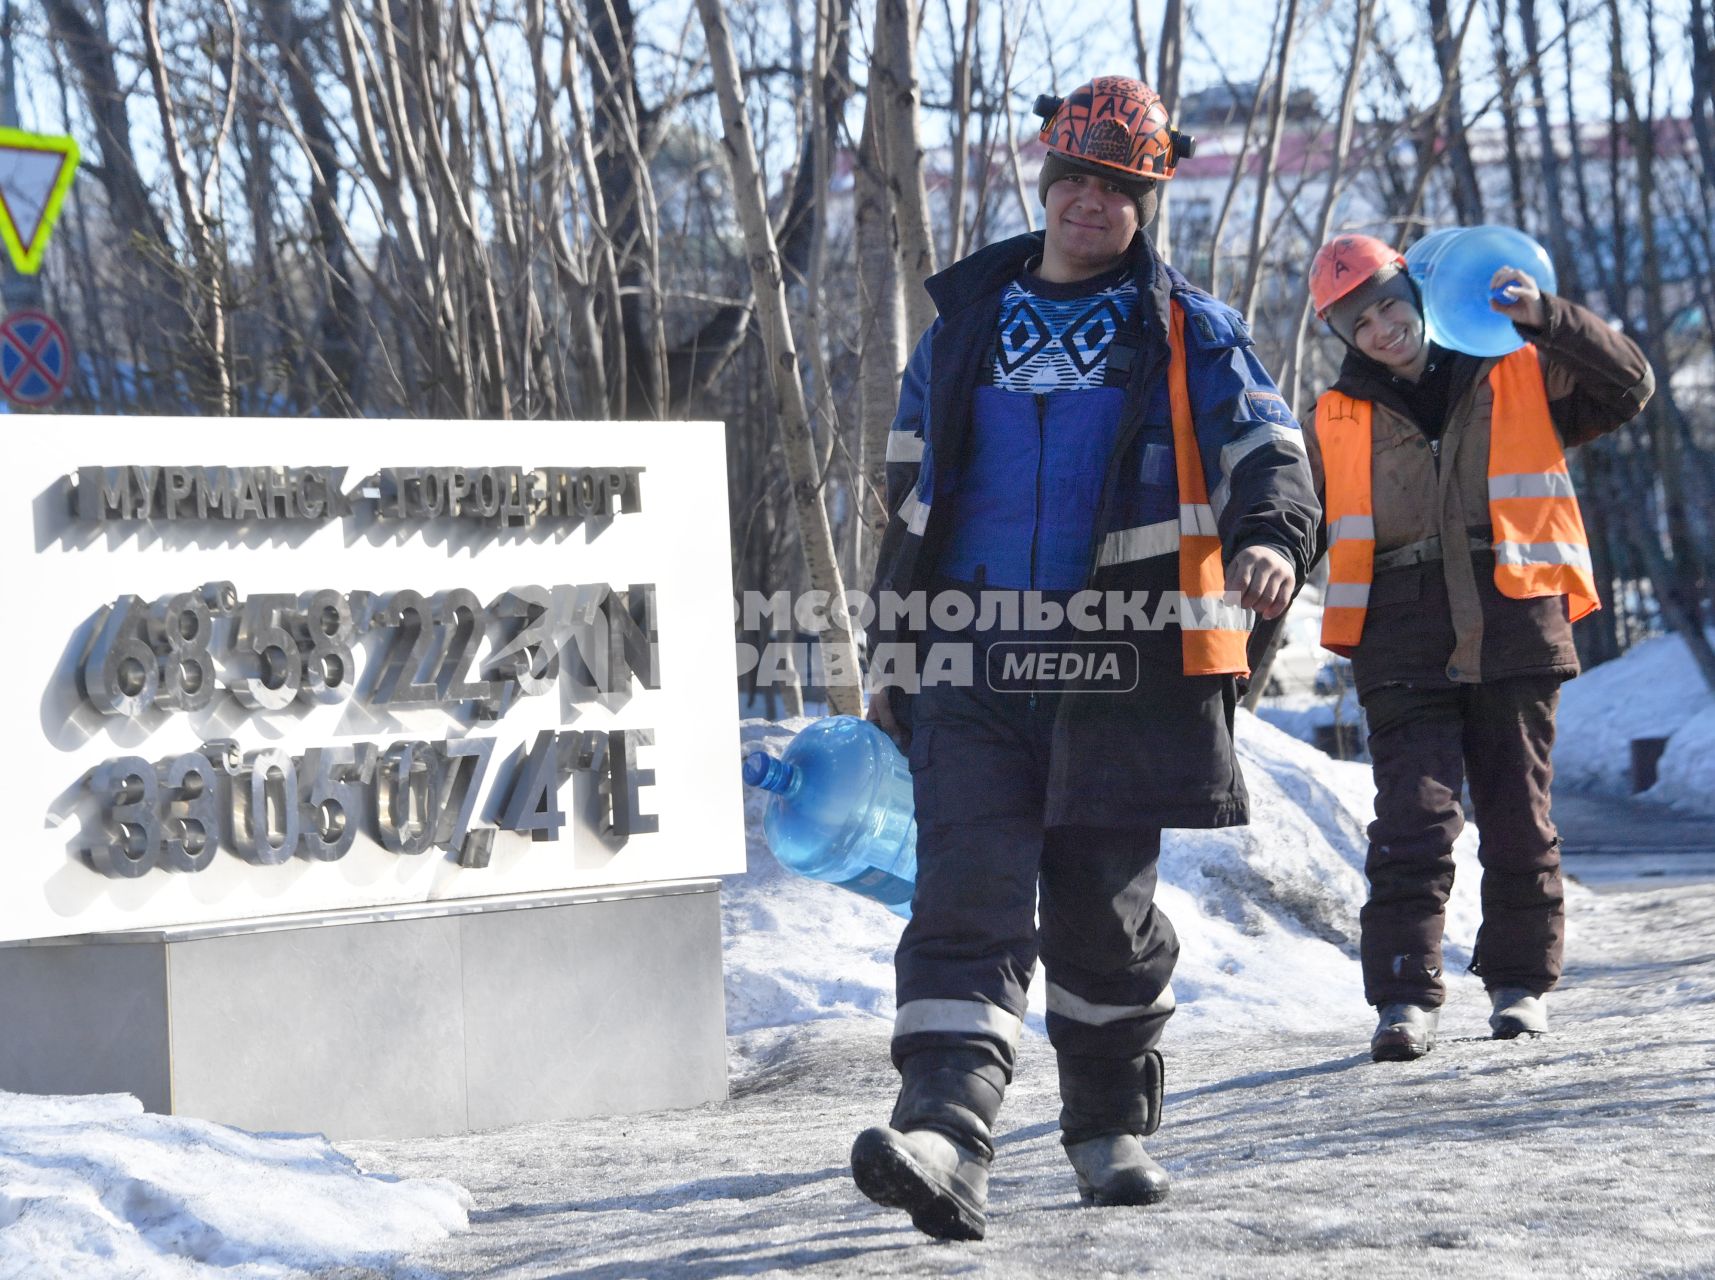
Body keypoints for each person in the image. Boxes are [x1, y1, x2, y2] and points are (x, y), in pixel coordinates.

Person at [851, 75, 1319, 1241]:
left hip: (1125, 674)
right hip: (970, 664)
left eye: (1117, 187)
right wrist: (892, 647)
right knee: (964, 894)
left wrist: (1269, 540)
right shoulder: (960, 331)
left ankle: (1107, 1124)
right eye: (1074, 180)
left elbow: (1268, 448)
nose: (1089, 203)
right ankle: (946, 1136)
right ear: (1044, 183)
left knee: (1099, 918)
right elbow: (906, 502)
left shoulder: (1187, 329)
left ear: (1143, 200)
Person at [1302, 233, 1654, 1062]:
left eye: (1389, 304)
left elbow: (1629, 385)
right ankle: (1401, 997)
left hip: (1514, 624)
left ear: (1417, 294)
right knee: (1410, 825)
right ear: (1343, 339)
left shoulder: (1519, 369)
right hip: (1397, 640)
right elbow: (1293, 518)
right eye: (1360, 323)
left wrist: (1545, 318)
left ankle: (1519, 986)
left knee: (1515, 818)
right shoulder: (1332, 417)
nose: (1382, 327)